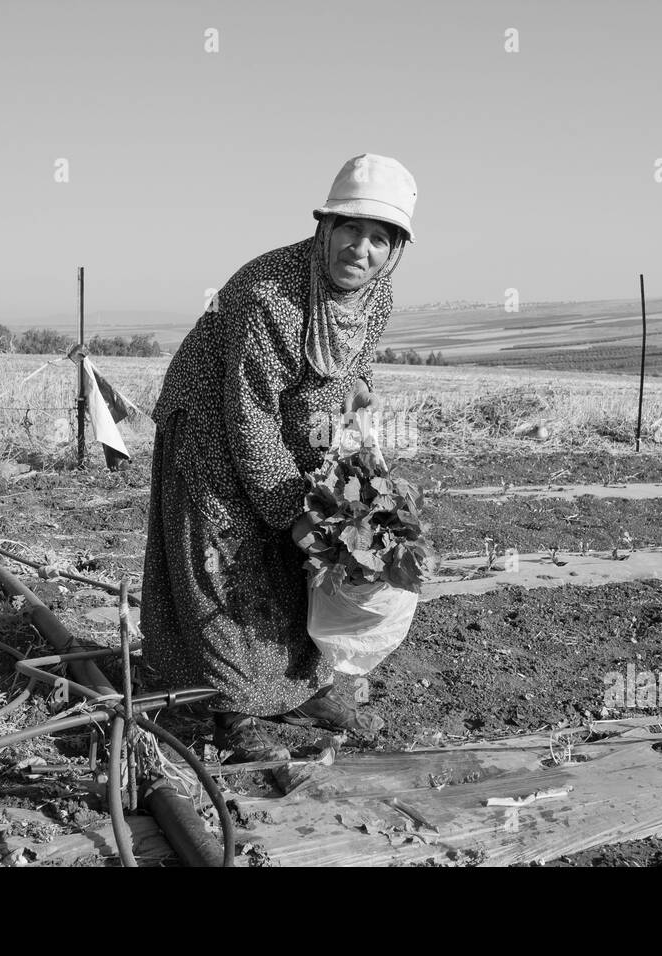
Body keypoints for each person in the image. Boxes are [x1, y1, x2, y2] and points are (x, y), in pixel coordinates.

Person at [140, 154, 418, 762]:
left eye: (379, 238)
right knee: (229, 561)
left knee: (305, 562)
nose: (360, 248)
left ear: (394, 250)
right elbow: (251, 414)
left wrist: (354, 402)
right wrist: (289, 511)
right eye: (350, 228)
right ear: (324, 226)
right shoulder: (269, 294)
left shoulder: (378, 295)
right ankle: (234, 712)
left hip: (294, 424)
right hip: (213, 423)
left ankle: (299, 689)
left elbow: (348, 366)